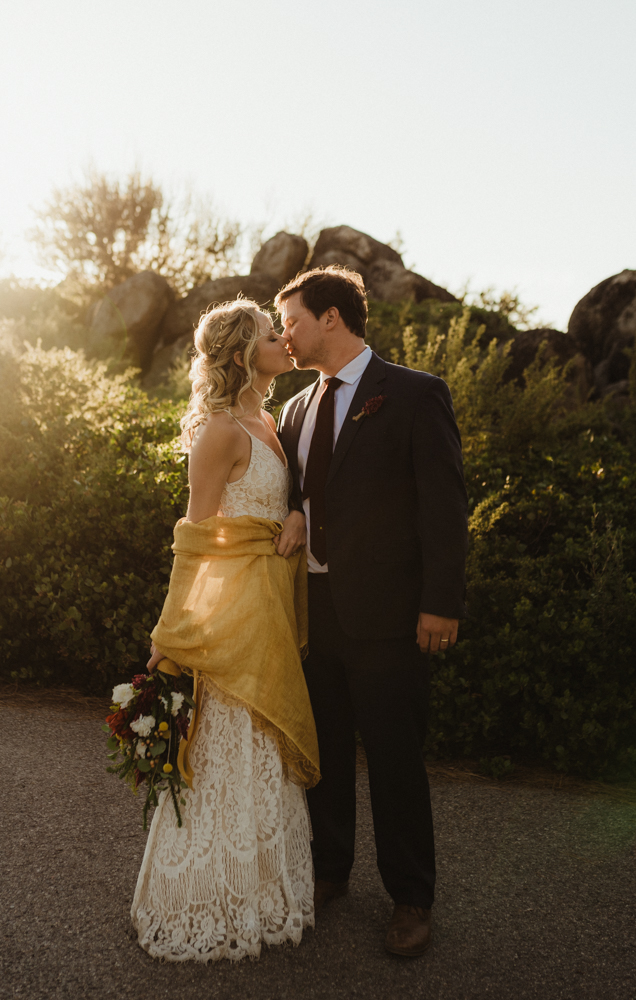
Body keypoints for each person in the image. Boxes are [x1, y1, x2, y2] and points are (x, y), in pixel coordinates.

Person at [276, 266, 468, 958]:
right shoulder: (293, 412)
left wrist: (440, 603)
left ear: (332, 317)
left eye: (292, 320)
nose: (284, 335)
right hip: (315, 614)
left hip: (390, 617)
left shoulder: (415, 394)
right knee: (323, 754)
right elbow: (300, 500)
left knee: (394, 759)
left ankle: (412, 898)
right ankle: (329, 872)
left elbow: (443, 505)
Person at [131, 299, 319, 963]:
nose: (284, 342)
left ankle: (264, 889)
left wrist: (297, 517)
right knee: (229, 748)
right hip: (234, 612)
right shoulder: (219, 431)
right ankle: (207, 895)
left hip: (273, 604)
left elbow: (282, 503)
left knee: (263, 751)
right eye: (273, 336)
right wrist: (171, 635)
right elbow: (194, 539)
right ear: (244, 354)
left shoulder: (270, 419)